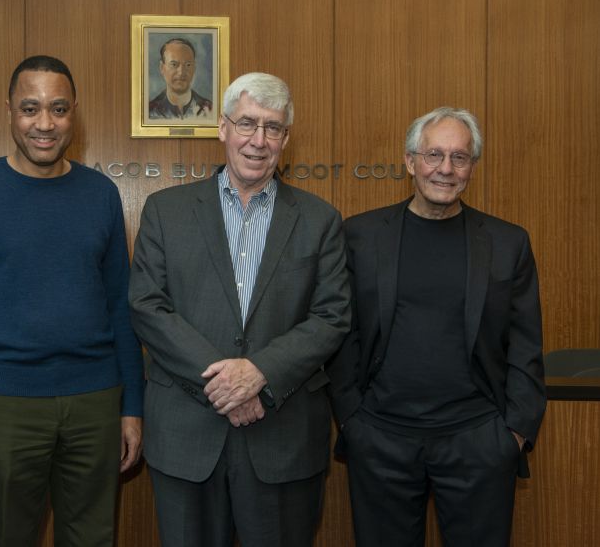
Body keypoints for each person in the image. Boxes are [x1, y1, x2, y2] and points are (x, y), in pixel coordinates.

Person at [130, 72, 350, 547]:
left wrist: (260, 374)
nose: (258, 140)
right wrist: (226, 382)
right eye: (247, 123)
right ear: (223, 128)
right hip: (187, 433)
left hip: (283, 435)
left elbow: (331, 316)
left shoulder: (320, 220)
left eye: (273, 128)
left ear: (286, 138)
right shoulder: (165, 211)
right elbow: (147, 306)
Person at [0, 55, 144, 547]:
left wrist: (132, 406)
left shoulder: (101, 194)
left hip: (95, 400)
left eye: (58, 108)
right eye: (30, 109)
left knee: (93, 538)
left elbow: (121, 308)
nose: (44, 124)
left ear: (75, 112)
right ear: (8, 110)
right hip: (3, 403)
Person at [329, 106, 546, 546]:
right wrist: (353, 419)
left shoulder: (508, 243)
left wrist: (513, 435)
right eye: (433, 155)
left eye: (459, 157)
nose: (445, 169)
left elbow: (526, 344)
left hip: (478, 442)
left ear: (472, 167)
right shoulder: (360, 236)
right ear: (410, 162)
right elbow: (340, 332)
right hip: (380, 439)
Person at [148, 37, 213, 119]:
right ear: (162, 68)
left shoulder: (210, 110)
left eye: (188, 65)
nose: (181, 72)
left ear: (194, 68)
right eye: (174, 65)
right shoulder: (149, 112)